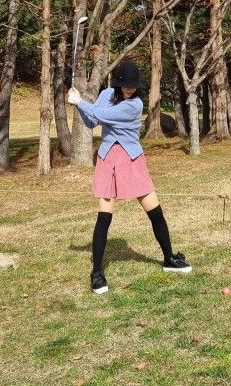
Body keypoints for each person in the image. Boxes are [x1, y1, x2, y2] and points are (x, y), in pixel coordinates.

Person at [67, 58, 192, 294]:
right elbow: (93, 119)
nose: (130, 89)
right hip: (108, 159)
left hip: (132, 158)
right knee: (104, 218)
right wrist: (78, 105)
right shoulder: (105, 95)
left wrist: (81, 102)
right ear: (119, 82)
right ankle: (97, 273)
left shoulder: (135, 105)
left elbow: (104, 115)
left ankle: (169, 259)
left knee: (155, 212)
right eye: (126, 84)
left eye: (134, 85)